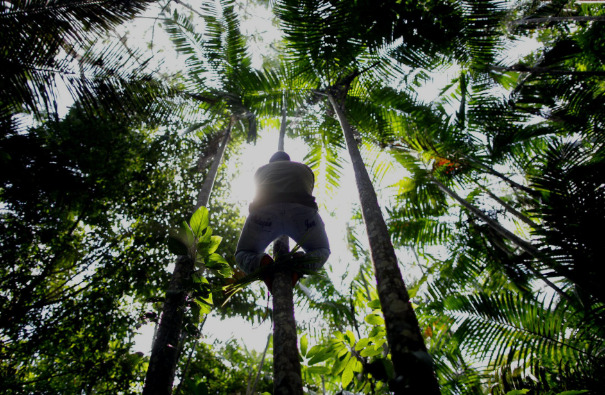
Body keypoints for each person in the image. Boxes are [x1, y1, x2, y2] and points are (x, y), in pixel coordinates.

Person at [235, 151, 330, 287]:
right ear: (288, 160)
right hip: (302, 213)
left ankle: (261, 263)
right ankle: (300, 263)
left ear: (271, 162)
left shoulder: (261, 170)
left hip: (264, 213)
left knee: (243, 254)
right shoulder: (305, 169)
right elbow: (308, 189)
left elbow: (257, 190)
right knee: (322, 249)